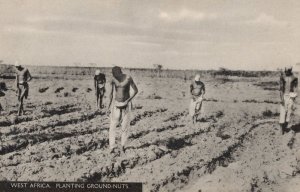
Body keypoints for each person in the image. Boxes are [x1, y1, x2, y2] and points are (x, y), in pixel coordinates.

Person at [108, 66, 138, 154]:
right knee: (113, 126)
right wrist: (109, 105)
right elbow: (111, 94)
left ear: (119, 73)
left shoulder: (128, 78)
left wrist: (128, 100)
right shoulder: (113, 80)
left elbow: (136, 90)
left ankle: (122, 146)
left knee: (125, 127)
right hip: (116, 105)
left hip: (126, 105)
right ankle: (112, 146)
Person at [279, 66, 298, 134]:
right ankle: (281, 128)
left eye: (288, 71)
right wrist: (281, 98)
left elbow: (295, 87)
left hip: (291, 96)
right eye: (286, 71)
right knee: (283, 111)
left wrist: (294, 96)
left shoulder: (294, 78)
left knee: (289, 112)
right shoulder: (282, 77)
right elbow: (281, 88)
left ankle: (285, 125)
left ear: (290, 71)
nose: (286, 72)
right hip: (284, 95)